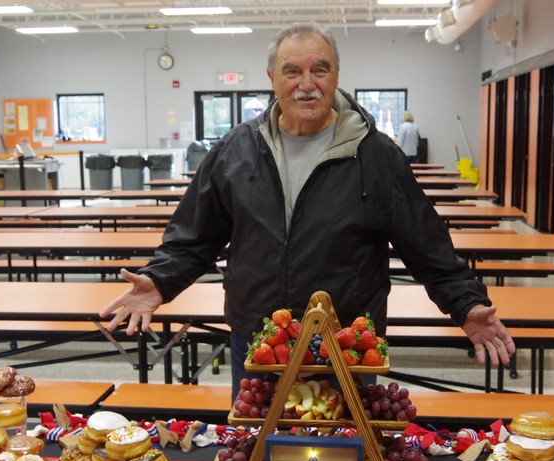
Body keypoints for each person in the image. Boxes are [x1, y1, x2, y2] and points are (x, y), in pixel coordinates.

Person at [100, 22, 515, 400]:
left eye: (320, 70)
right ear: (272, 78)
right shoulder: (236, 151)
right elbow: (194, 237)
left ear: (336, 76)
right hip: (260, 341)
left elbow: (427, 245)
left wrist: (466, 304)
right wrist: (159, 281)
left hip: (346, 344)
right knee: (257, 460)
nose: (306, 84)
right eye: (292, 71)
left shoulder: (376, 156)